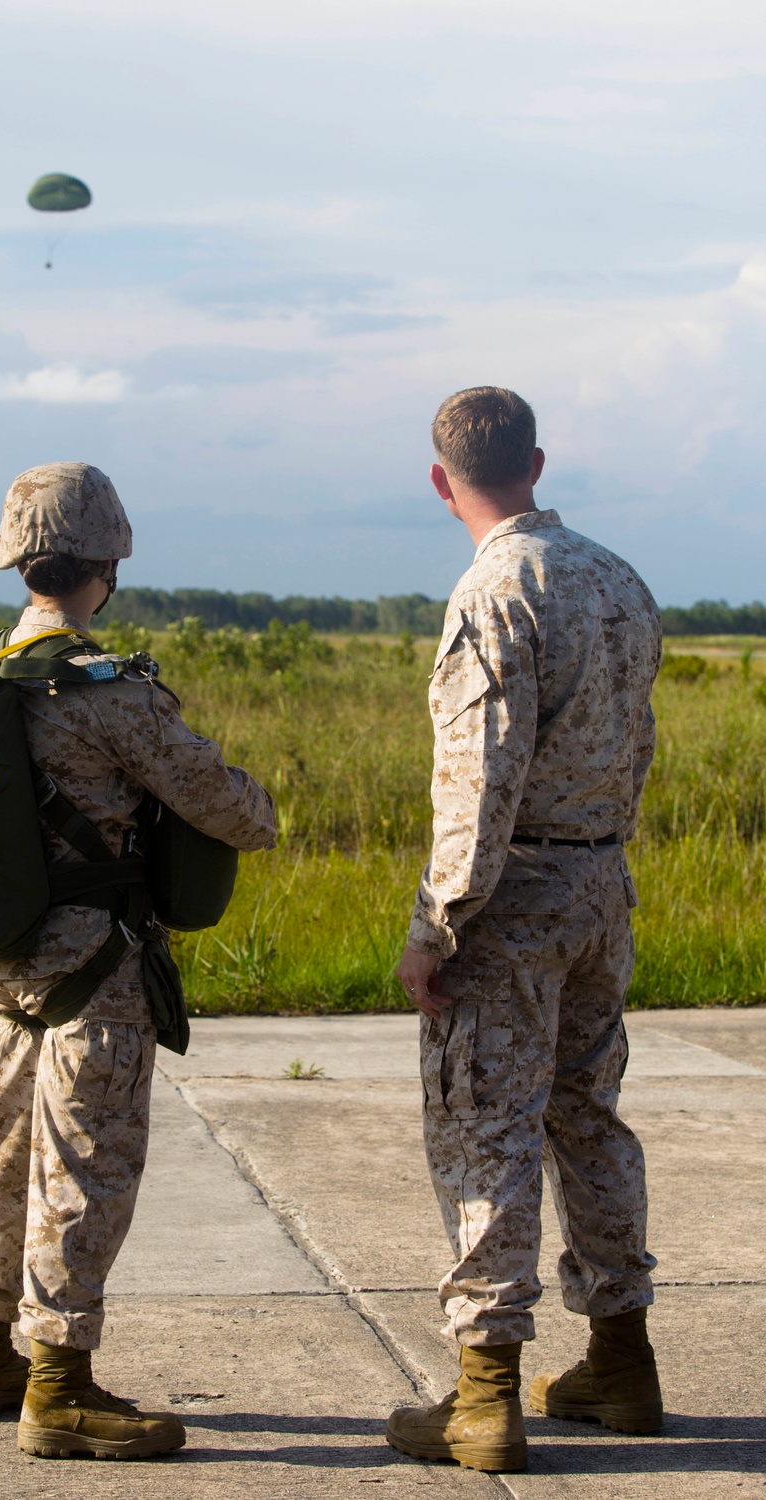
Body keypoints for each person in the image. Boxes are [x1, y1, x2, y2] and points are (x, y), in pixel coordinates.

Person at [0, 462, 276, 1461]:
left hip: (4, 972)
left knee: (1, 1157)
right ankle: (59, 1387)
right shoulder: (105, 689)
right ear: (109, 558)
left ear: (18, 560)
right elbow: (237, 812)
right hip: (94, 969)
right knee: (87, 1168)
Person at [385, 389, 663, 1474]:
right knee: (590, 1117)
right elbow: (634, 741)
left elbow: (478, 782)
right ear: (535, 464)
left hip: (513, 894)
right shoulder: (615, 578)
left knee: (484, 1129)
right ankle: (620, 1359)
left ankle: (485, 1396)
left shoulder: (492, 591)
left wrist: (437, 925)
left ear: (439, 478)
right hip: (601, 879)